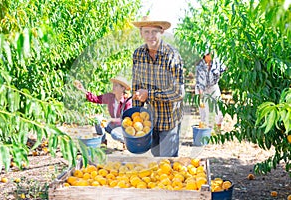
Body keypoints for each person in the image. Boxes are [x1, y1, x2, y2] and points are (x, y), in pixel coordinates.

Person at [131, 16, 185, 157]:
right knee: (155, 161)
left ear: (161, 32)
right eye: (146, 31)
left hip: (169, 119)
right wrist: (135, 115)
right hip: (150, 119)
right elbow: (136, 86)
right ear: (141, 33)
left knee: (166, 164)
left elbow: (178, 92)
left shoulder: (171, 56)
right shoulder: (138, 54)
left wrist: (149, 94)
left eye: (154, 31)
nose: (150, 36)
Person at [74, 76, 132, 145]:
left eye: (116, 85)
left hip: (122, 128)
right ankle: (103, 141)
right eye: (113, 85)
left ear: (123, 88)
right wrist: (83, 90)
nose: (113, 87)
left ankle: (127, 142)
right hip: (112, 125)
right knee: (97, 120)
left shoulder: (127, 101)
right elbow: (96, 99)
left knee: (114, 134)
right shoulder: (110, 97)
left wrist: (111, 120)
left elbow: (126, 120)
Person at [195, 49, 226, 129]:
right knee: (204, 112)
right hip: (202, 89)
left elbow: (224, 67)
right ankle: (205, 132)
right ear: (206, 55)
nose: (212, 55)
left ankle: (217, 131)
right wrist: (201, 97)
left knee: (219, 110)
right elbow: (200, 83)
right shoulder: (200, 66)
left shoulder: (216, 63)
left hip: (213, 86)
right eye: (210, 54)